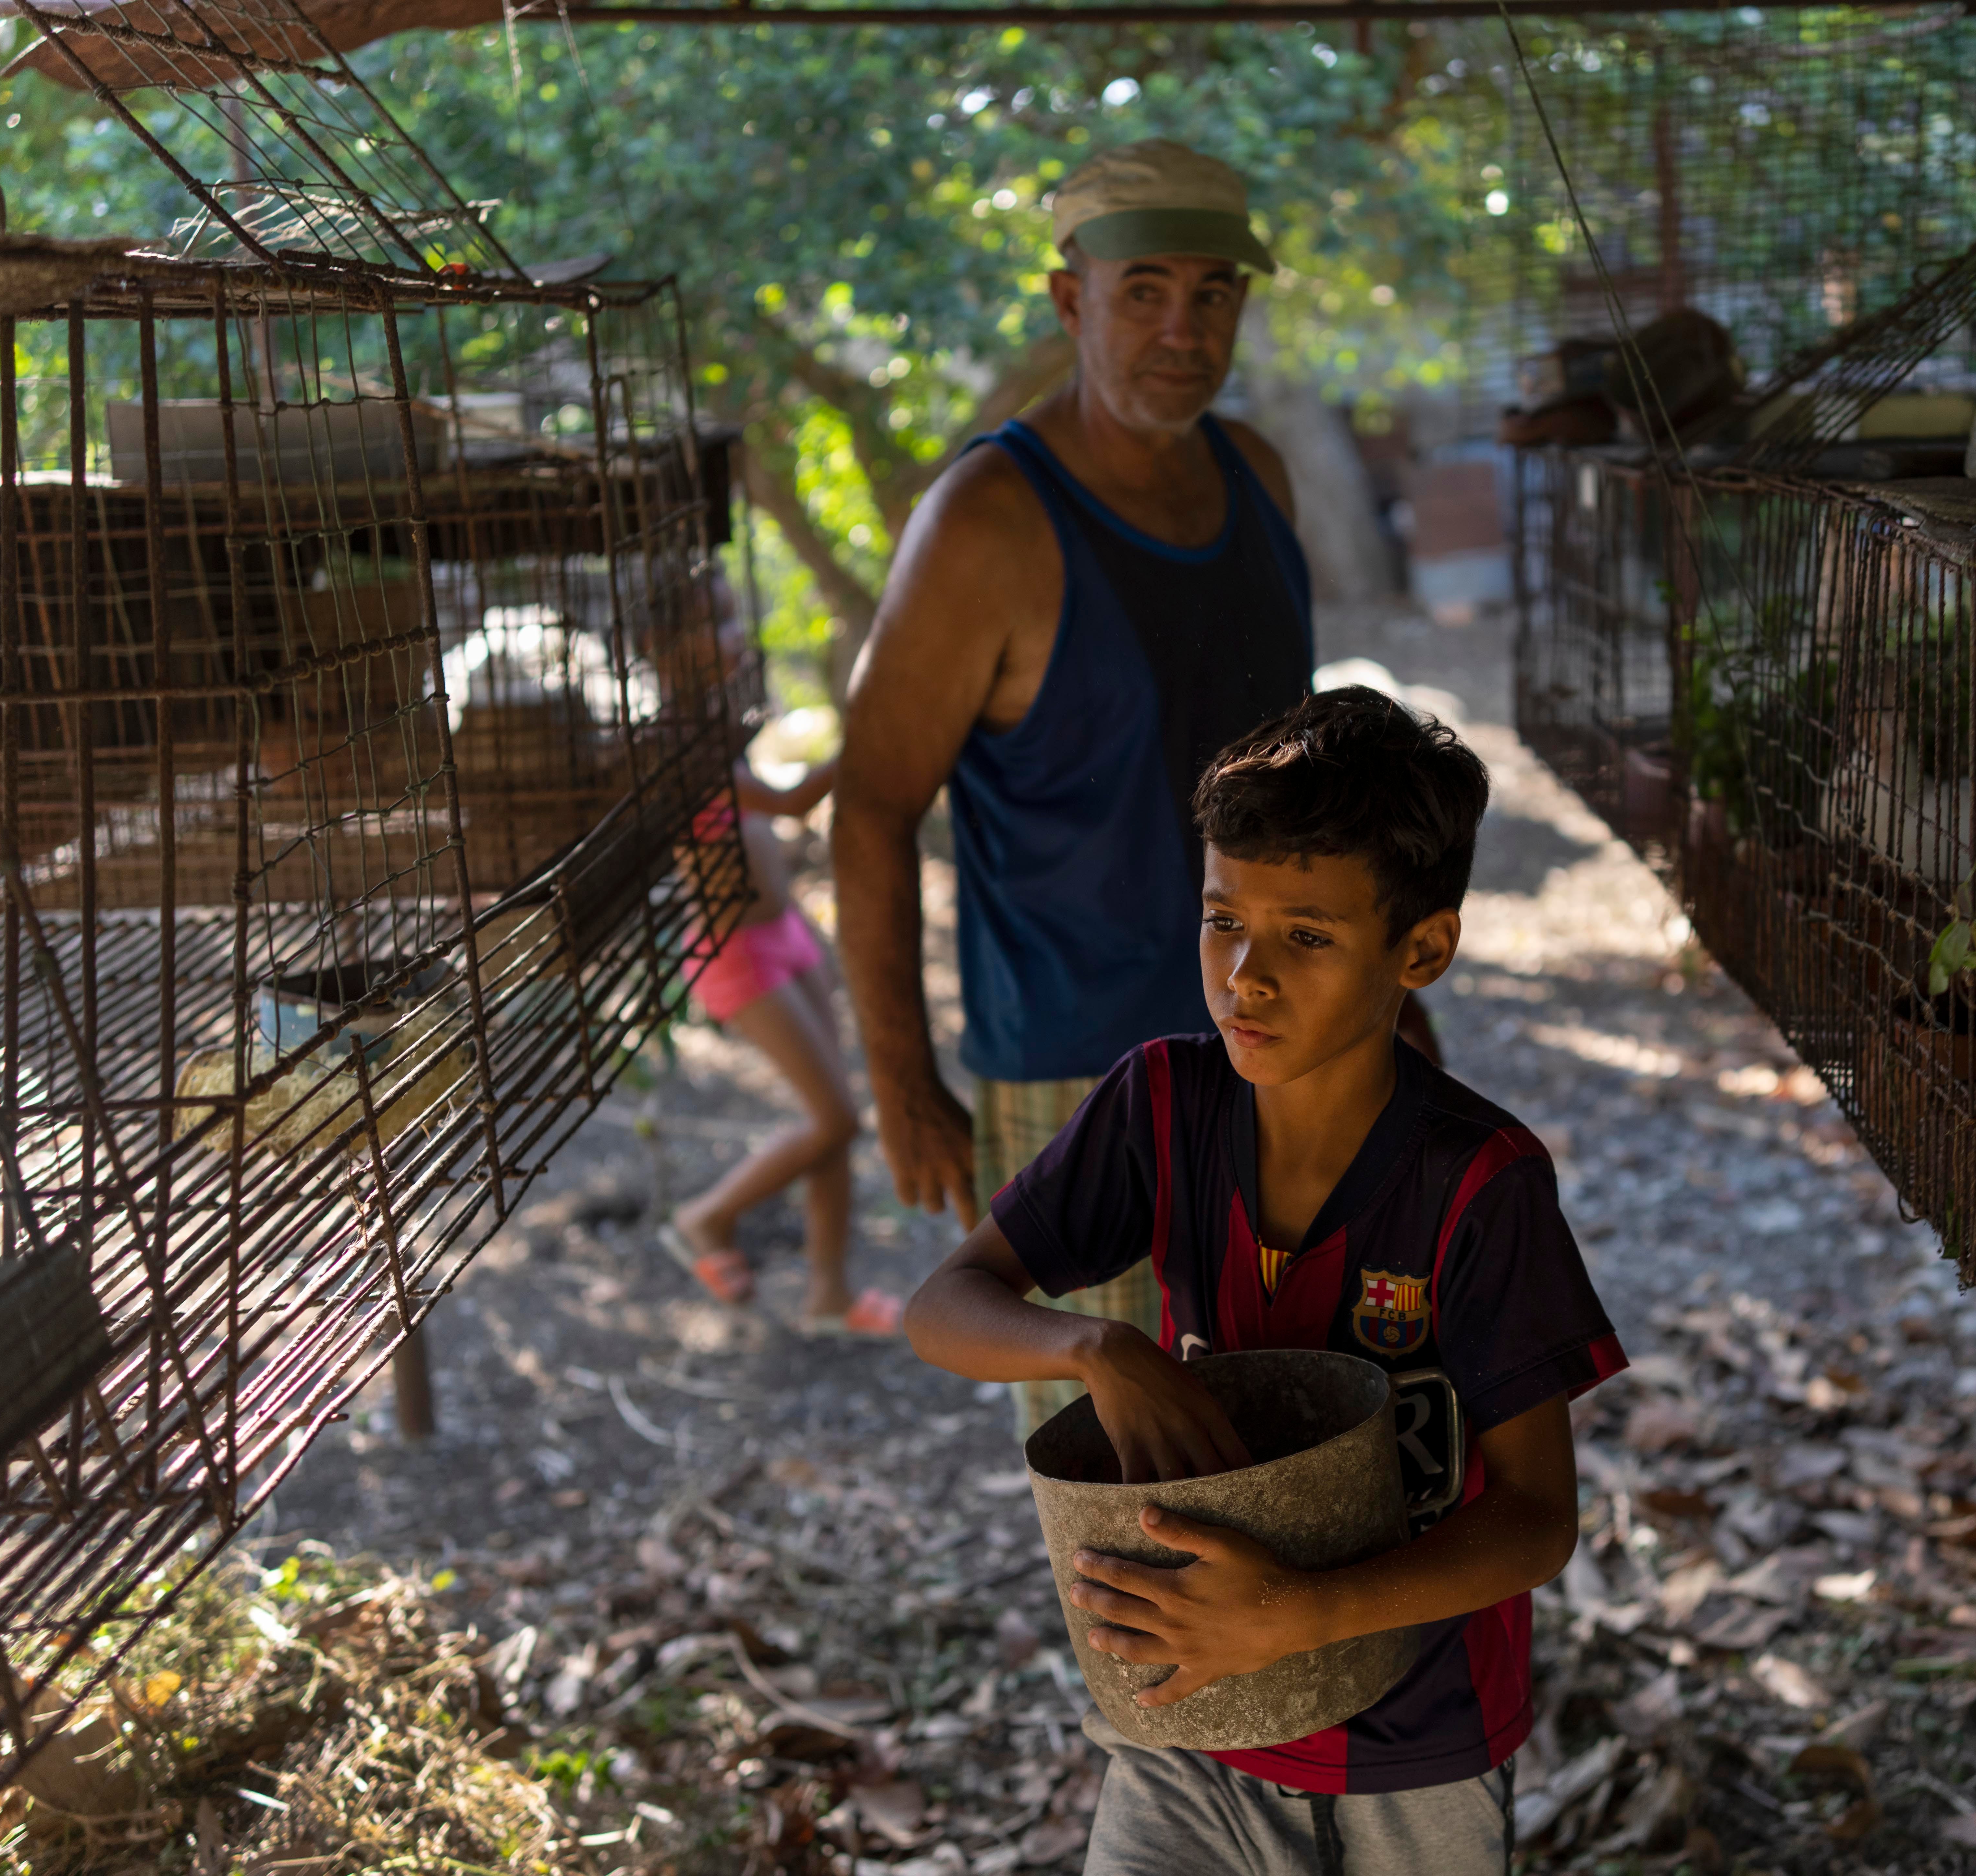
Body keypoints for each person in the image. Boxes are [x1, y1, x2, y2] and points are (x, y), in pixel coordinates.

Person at [905, 690, 1624, 1876]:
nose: (1246, 976)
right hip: (1186, 1720)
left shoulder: (1480, 1185)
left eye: (1309, 936)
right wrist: (1100, 1351)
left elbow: (1540, 1520)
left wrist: (1298, 1615)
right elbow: (945, 1305)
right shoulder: (1163, 1106)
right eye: (1222, 919)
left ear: (1423, 951)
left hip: (1408, 1745)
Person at [832, 138, 1317, 1431]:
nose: (1182, 326)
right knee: (1136, 1497)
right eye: (1143, 289)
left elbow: (1306, 794)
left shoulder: (1256, 478)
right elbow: (872, 804)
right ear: (1070, 302)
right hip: (1082, 1090)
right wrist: (903, 1081)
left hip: (1288, 1054)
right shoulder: (990, 519)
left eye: (1213, 292)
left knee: (1302, 1437)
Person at [657, 574, 901, 1337]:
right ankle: (705, 1217)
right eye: (717, 622)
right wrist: (880, 730)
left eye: (734, 615)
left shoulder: (718, 719)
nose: (738, 635)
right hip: (736, 955)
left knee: (832, 1118)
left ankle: (830, 1294)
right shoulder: (674, 741)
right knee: (835, 1119)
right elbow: (791, 803)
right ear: (666, 648)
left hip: (784, 934)